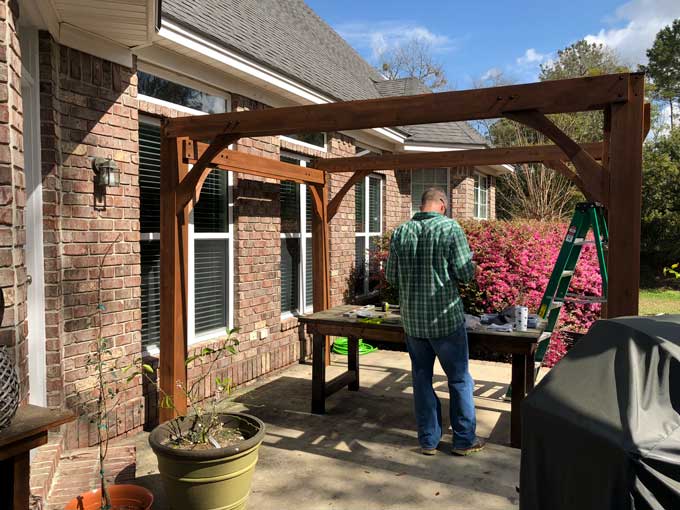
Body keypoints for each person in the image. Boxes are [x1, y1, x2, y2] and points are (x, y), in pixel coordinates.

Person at [386, 187, 484, 456]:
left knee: (421, 378)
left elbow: (392, 277)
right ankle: (463, 440)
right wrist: (474, 268)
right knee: (459, 380)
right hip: (445, 321)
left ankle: (428, 440)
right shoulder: (451, 229)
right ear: (442, 204)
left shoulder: (400, 232)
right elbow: (464, 273)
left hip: (414, 322)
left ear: (422, 204)